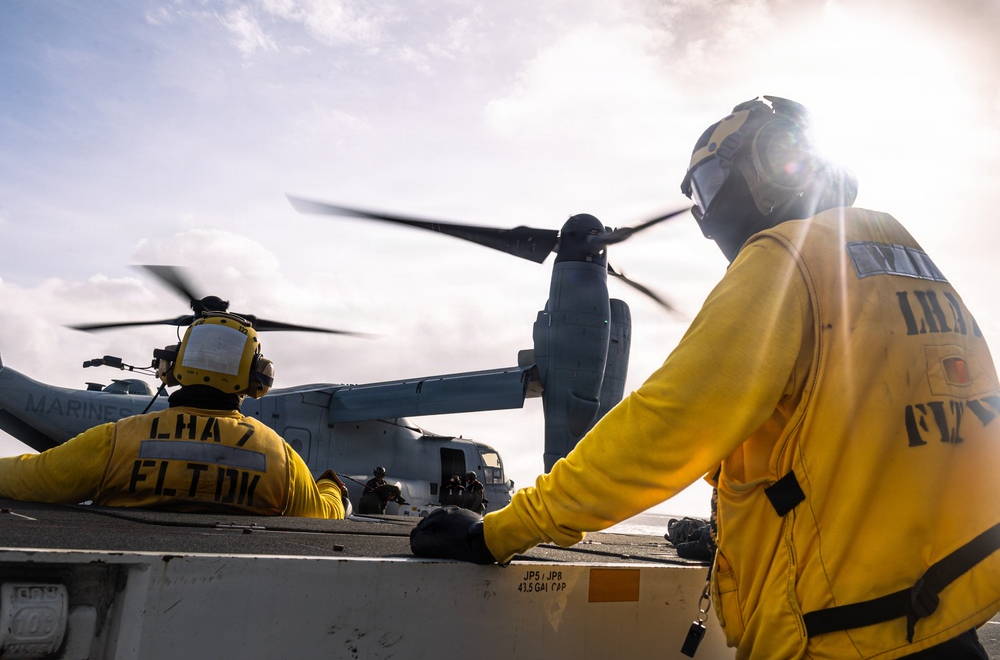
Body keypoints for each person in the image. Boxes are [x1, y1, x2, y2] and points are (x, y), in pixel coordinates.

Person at [410, 96, 1000, 659]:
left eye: (713, 185)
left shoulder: (787, 260)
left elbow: (662, 429)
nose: (706, 214)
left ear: (765, 168)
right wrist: (737, 536)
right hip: (941, 614)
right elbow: (871, 446)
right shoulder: (906, 264)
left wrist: (499, 532)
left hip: (841, 632)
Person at [0, 312, 346, 519]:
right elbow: (326, 513)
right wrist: (331, 485)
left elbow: (29, 477)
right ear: (258, 379)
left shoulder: (115, 442)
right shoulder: (282, 461)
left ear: (171, 367)